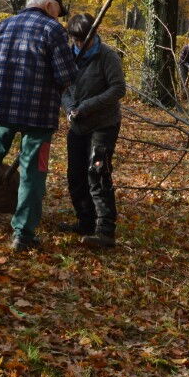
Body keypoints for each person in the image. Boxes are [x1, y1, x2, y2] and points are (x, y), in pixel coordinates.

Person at [0, 0, 78, 251]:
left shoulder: (1, 26)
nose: (59, 18)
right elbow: (66, 76)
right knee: (33, 174)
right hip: (37, 115)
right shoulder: (53, 31)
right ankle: (22, 234)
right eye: (58, 13)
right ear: (50, 5)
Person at [61, 14, 126, 248]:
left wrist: (87, 107)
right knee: (75, 175)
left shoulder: (107, 56)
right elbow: (65, 86)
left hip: (103, 125)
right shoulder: (69, 55)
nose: (79, 45)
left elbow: (118, 88)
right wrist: (69, 107)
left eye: (83, 41)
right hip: (77, 125)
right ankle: (85, 220)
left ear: (93, 35)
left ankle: (105, 230)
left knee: (97, 173)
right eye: (75, 40)